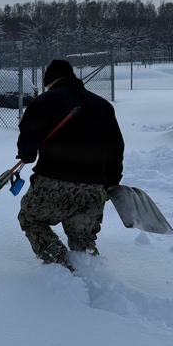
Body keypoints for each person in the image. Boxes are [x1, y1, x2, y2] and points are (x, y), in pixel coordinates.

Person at [15, 59, 124, 270]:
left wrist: (26, 155)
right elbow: (116, 147)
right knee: (82, 236)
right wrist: (111, 182)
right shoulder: (103, 105)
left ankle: (61, 267)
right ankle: (91, 273)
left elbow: (28, 135)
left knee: (31, 218)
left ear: (49, 81)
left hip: (54, 183)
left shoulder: (45, 101)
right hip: (94, 188)